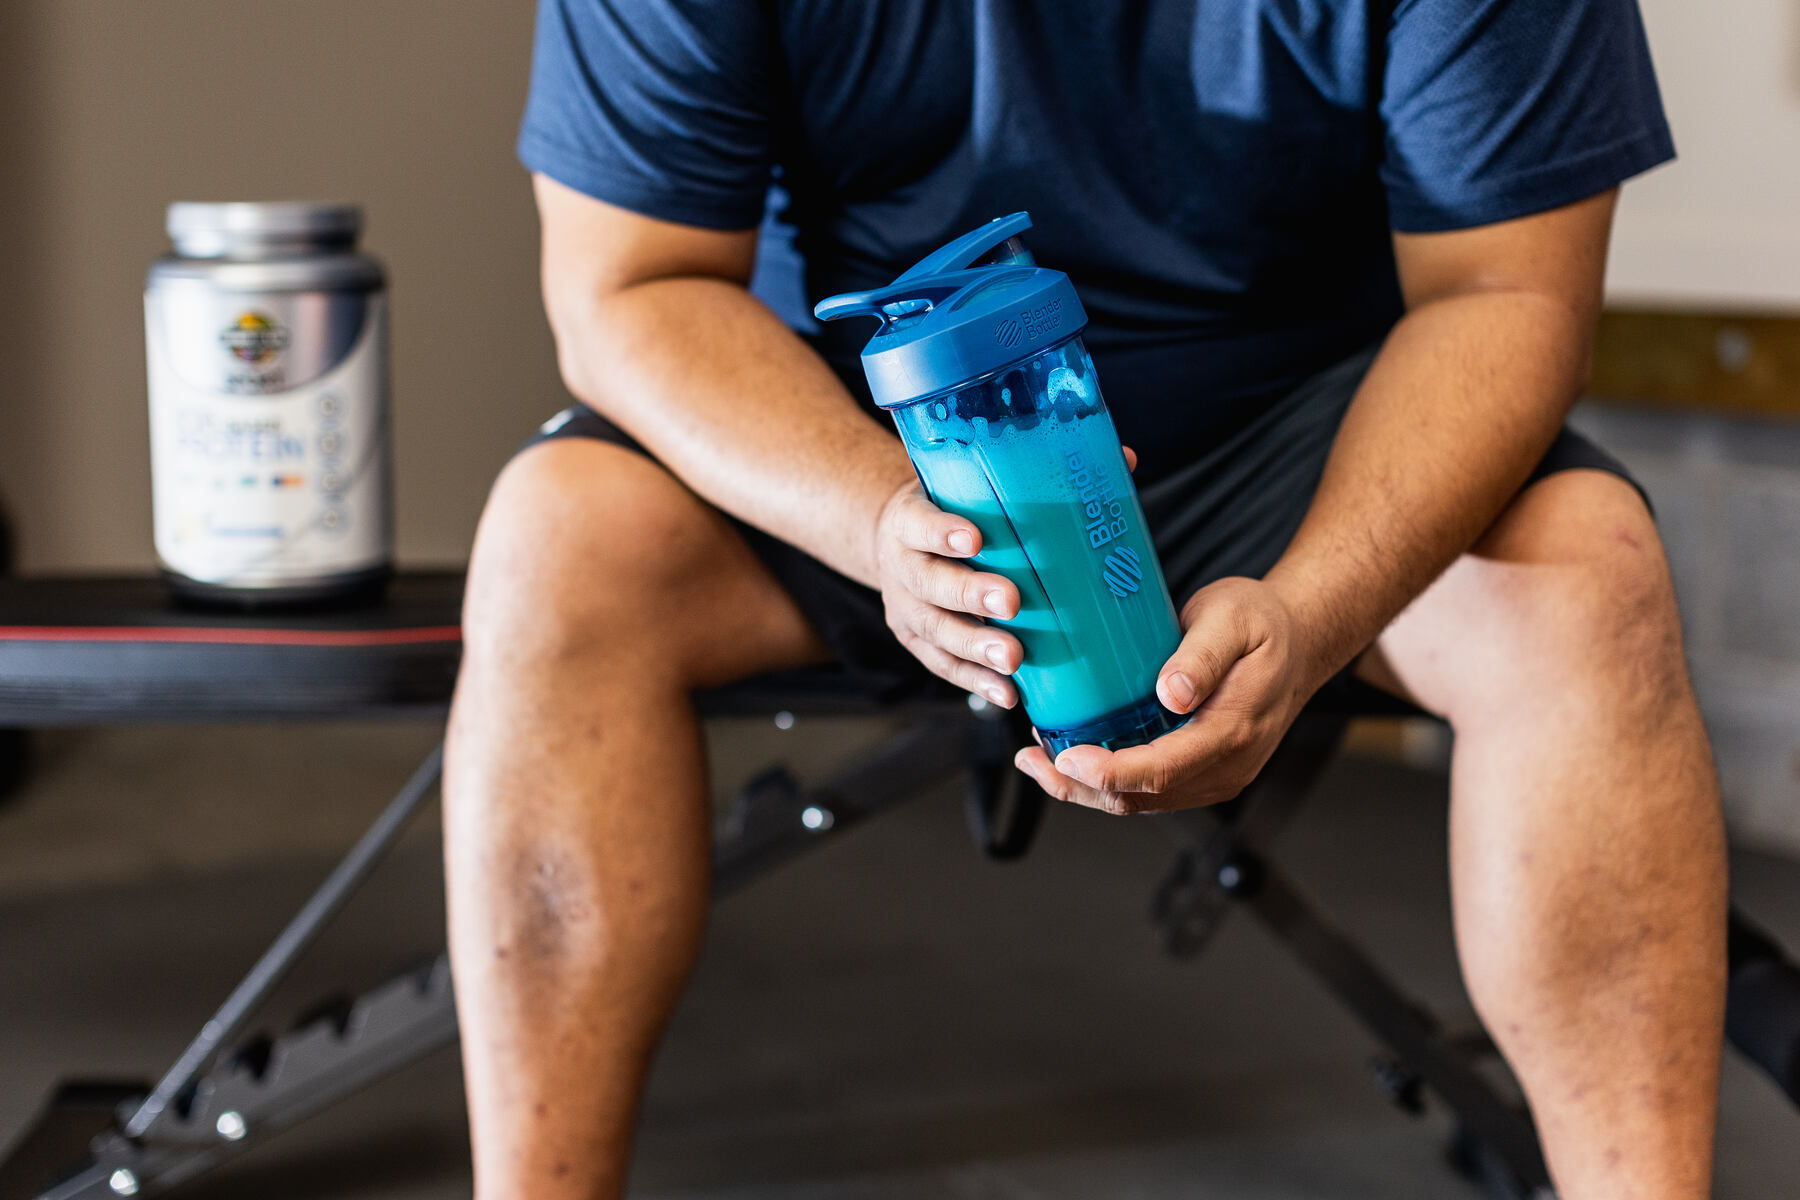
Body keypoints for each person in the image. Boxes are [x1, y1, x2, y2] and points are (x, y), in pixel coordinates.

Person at [444, 2, 1727, 1196]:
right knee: (559, 542)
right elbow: (632, 285)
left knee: (1583, 568)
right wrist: (883, 520)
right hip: (859, 446)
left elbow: (1506, 292)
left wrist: (1319, 606)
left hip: (1299, 441)